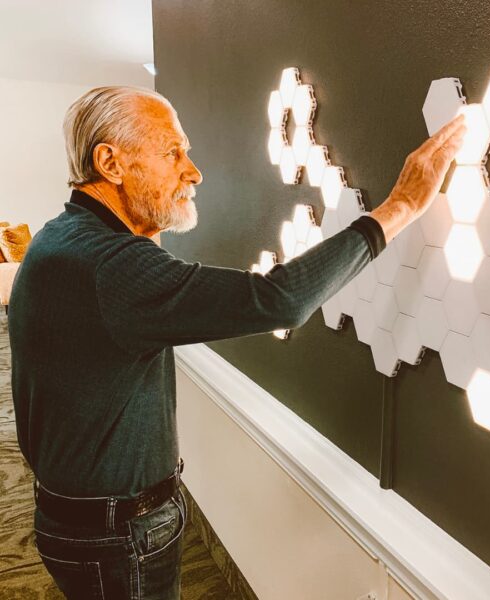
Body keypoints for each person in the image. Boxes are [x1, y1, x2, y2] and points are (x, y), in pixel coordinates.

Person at [8, 85, 465, 599]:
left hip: (75, 519)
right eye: (172, 152)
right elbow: (276, 301)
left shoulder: (61, 238)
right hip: (116, 537)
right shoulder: (112, 269)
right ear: (110, 163)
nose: (194, 171)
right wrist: (401, 206)